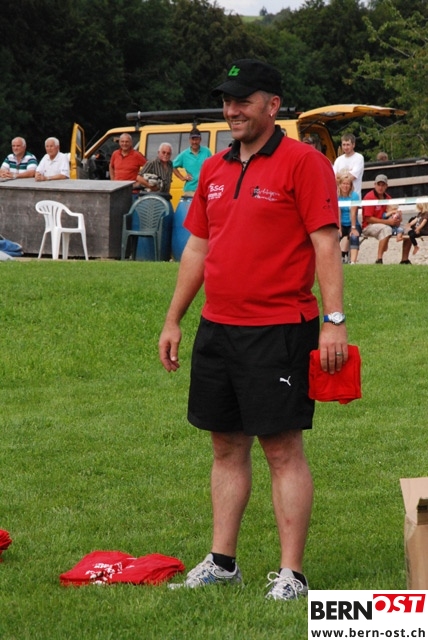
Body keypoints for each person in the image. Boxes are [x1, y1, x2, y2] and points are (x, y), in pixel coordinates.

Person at [159, 58, 347, 601]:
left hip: (280, 329)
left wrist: (333, 321)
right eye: (226, 100)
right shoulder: (214, 169)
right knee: (225, 445)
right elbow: (198, 247)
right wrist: (174, 319)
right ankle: (223, 562)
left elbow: (326, 243)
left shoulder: (304, 162)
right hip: (218, 328)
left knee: (282, 449)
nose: (231, 110)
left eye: (242, 100)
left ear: (273, 105)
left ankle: (292, 574)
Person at [361, 174, 398, 263]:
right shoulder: (369, 197)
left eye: (383, 185)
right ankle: (379, 259)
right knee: (386, 229)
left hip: (385, 223)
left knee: (407, 230)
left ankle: (405, 259)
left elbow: (394, 211)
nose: (380, 187)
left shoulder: (388, 198)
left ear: (386, 186)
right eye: (378, 185)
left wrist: (397, 219)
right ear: (375, 185)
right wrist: (387, 222)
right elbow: (368, 219)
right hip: (369, 226)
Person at [172, 128, 212, 194]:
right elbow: (172, 166)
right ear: (189, 140)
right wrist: (182, 178)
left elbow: (213, 167)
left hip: (205, 189)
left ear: (200, 140)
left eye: (196, 139)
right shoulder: (184, 154)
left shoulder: (206, 151)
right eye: (193, 139)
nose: (194, 142)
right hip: (190, 190)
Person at [336, 170, 361, 264]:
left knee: (354, 236)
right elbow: (338, 212)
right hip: (341, 223)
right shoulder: (336, 195)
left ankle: (353, 262)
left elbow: (353, 212)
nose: (345, 186)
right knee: (335, 237)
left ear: (351, 186)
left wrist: (353, 228)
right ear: (340, 185)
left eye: (347, 184)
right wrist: (339, 228)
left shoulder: (354, 196)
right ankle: (335, 260)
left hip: (352, 223)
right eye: (343, 183)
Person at [333, 133, 364, 197]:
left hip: (354, 198)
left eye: (348, 145)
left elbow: (352, 177)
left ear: (353, 145)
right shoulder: (338, 160)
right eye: (344, 145)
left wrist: (340, 176)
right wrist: (347, 174)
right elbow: (334, 178)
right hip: (340, 198)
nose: (345, 147)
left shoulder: (359, 158)